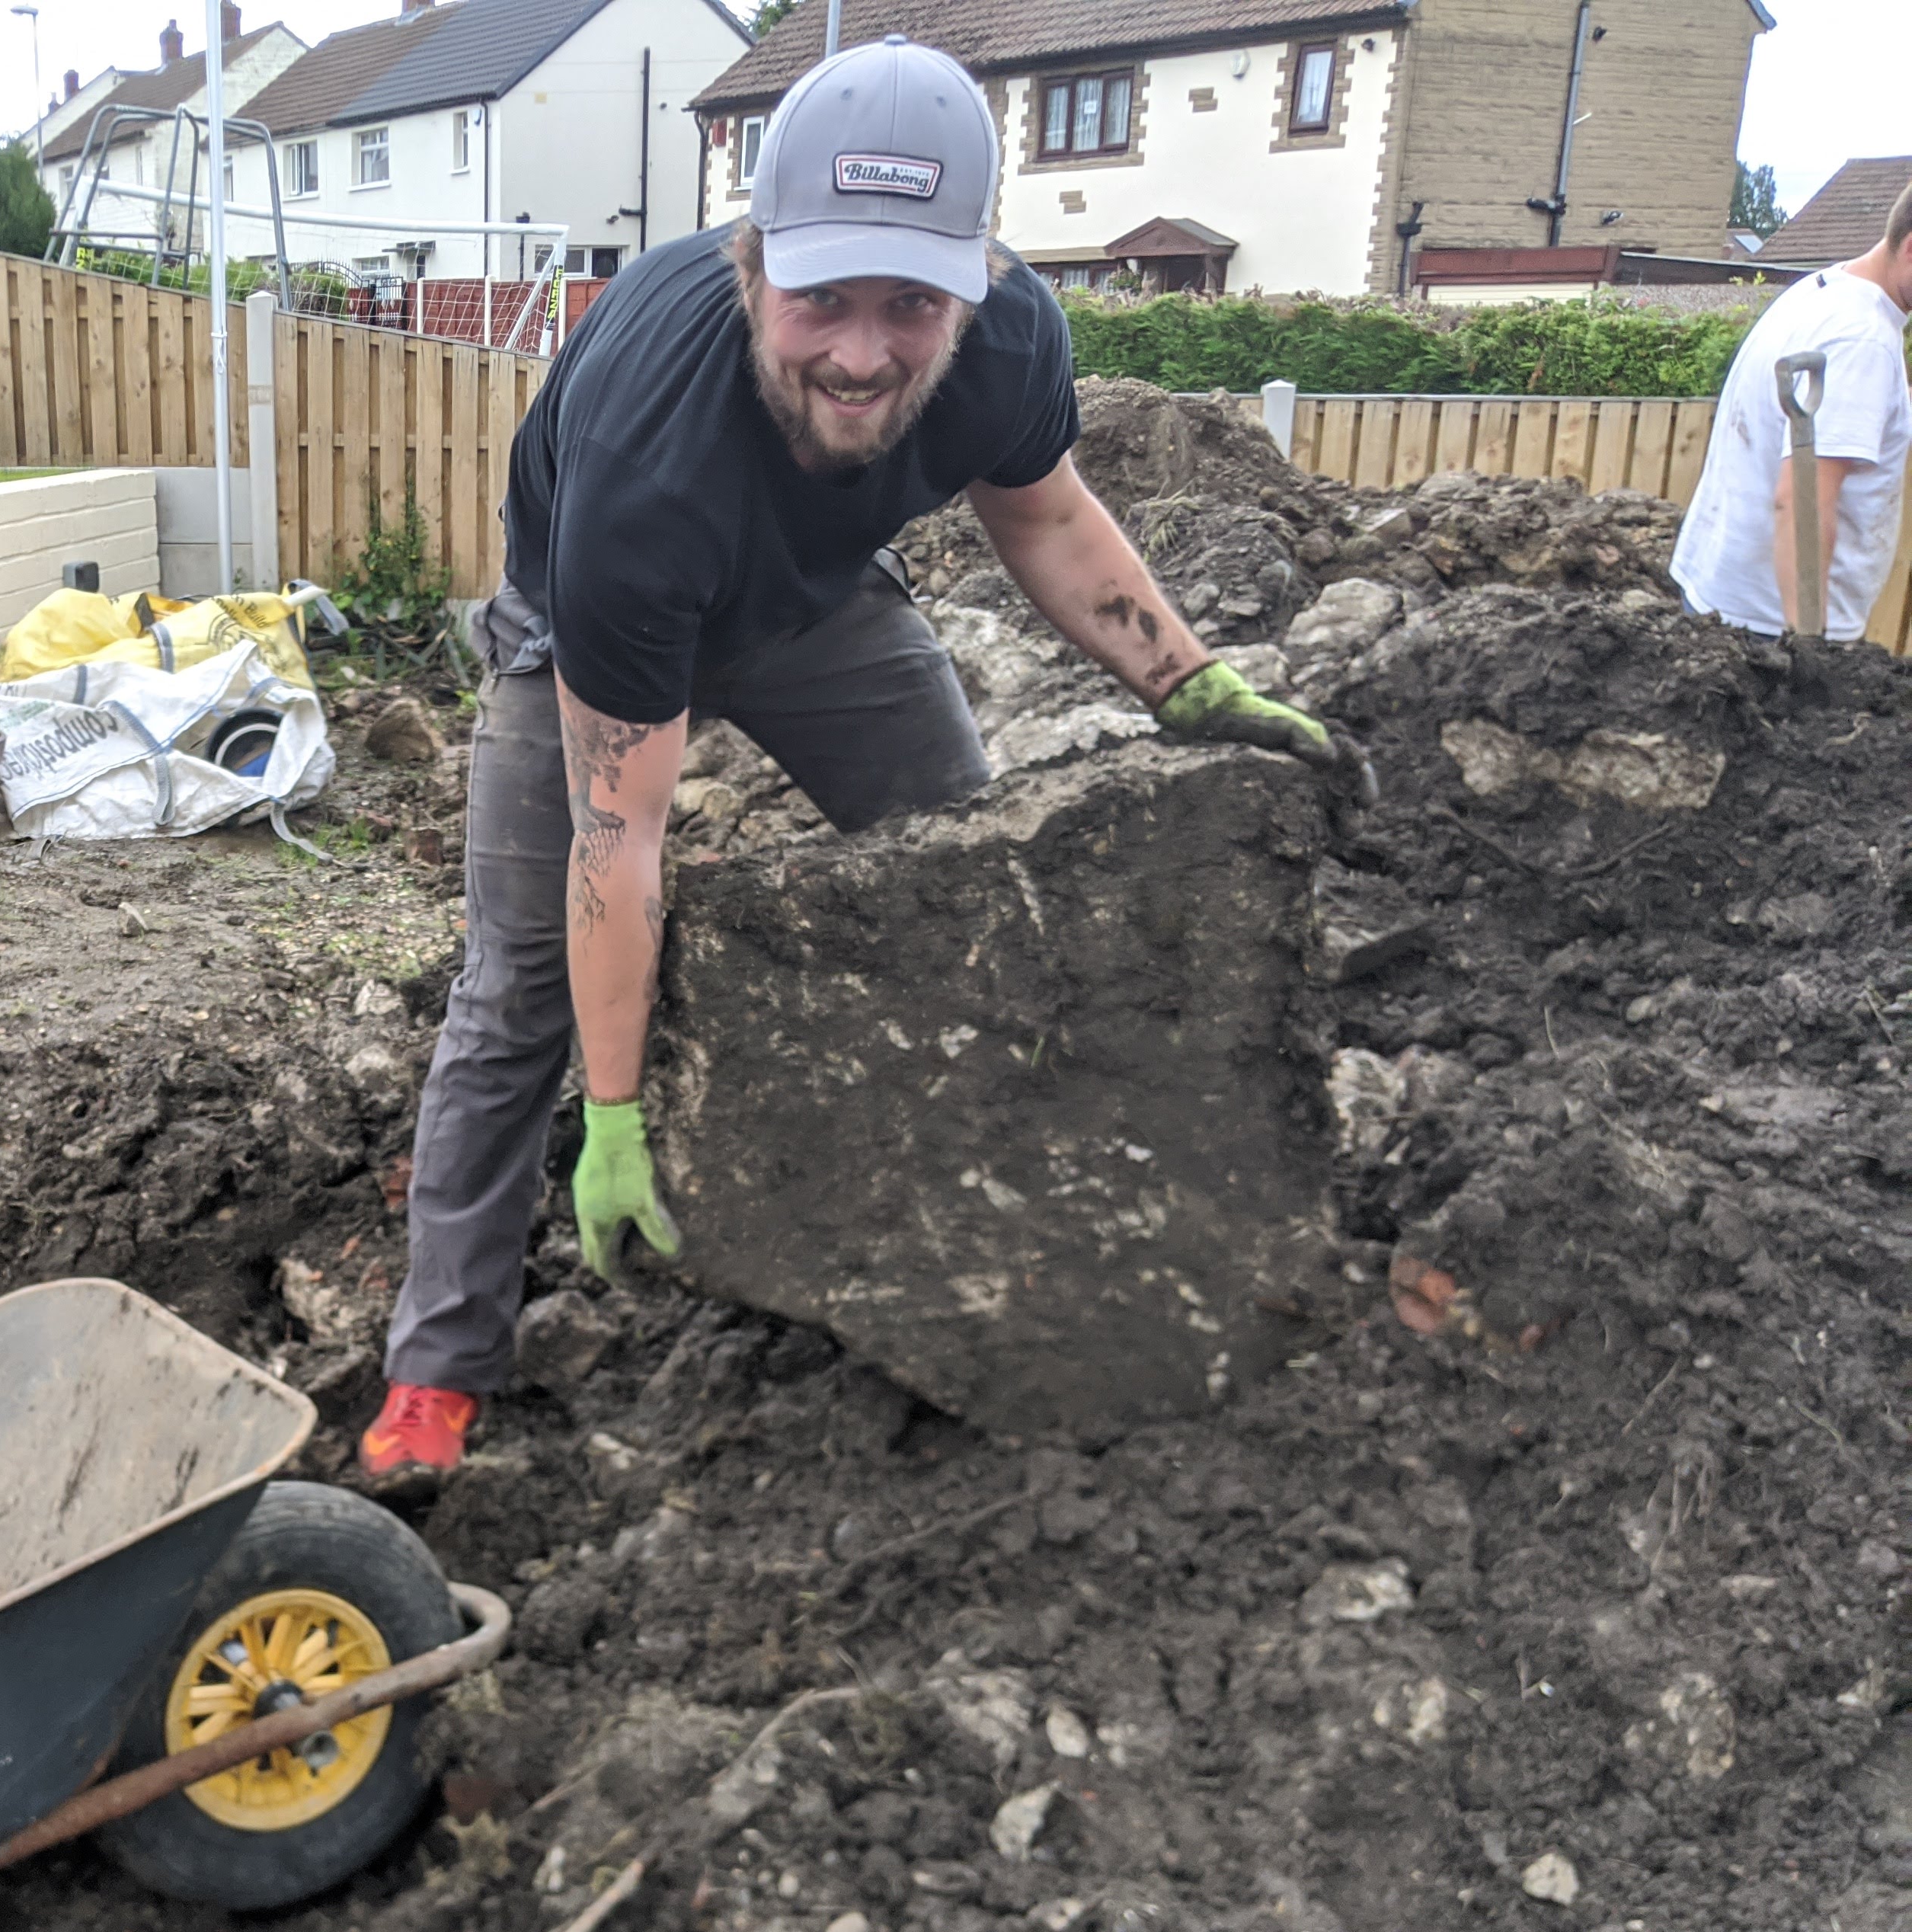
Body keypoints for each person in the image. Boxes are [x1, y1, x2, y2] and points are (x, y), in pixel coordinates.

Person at [354, 34, 1361, 1492]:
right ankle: (435, 1369)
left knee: (964, 878)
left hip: (817, 603)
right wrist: (620, 1112)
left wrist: (1188, 678)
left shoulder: (1008, 341)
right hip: (589, 631)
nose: (863, 348)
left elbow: (1047, 520)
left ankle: (979, 1236)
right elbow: (620, 843)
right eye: (822, 298)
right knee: (518, 985)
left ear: (981, 279)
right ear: (751, 268)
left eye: (912, 303)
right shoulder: (646, 468)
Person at [1673, 179, 1912, 642]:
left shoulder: (1819, 293)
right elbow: (1802, 499)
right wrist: (1809, 651)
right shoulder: (1860, 340)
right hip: (1769, 630)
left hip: (1718, 597)